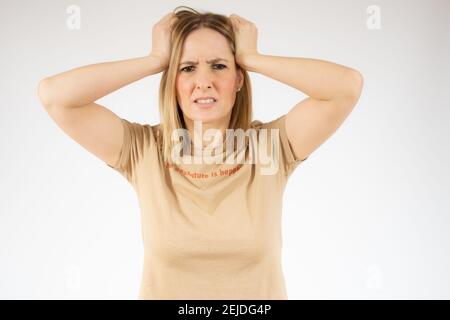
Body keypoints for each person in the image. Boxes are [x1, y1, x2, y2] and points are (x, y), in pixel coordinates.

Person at [37, 6, 363, 299]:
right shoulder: (144, 151)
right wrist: (154, 60)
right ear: (171, 81)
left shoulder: (270, 148)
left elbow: (346, 86)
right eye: (187, 68)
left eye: (219, 66)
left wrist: (252, 58)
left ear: (238, 79)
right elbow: (55, 95)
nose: (204, 81)